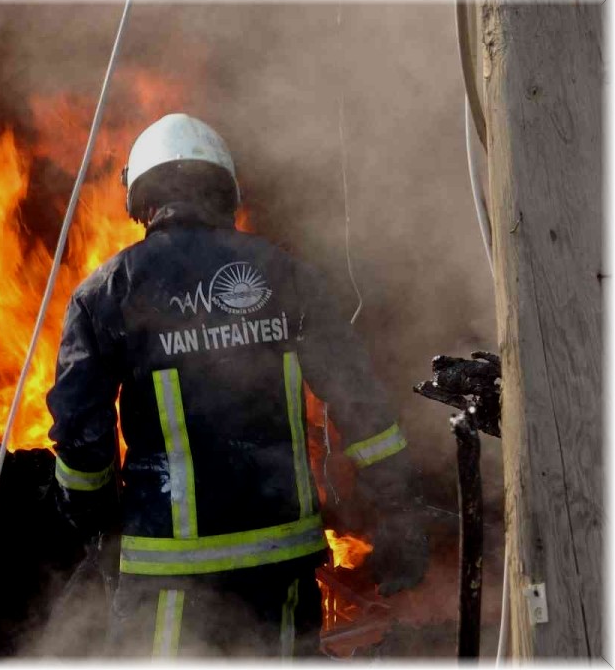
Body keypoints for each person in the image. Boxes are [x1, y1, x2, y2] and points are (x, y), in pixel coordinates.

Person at [46, 114, 428, 658]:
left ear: (140, 199)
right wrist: (398, 506)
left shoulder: (107, 292)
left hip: (169, 573)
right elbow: (357, 398)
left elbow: (82, 436)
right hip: (280, 565)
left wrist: (95, 526)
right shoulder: (287, 275)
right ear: (226, 191)